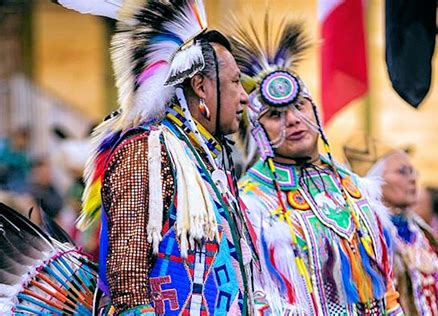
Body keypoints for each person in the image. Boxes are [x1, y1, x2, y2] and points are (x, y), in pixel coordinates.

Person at [58, 0, 253, 314]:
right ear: (200, 86)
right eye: (234, 82)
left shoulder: (206, 159)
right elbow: (128, 279)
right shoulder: (147, 150)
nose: (244, 96)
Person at [233, 16, 403, 315]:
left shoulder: (355, 186)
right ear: (258, 131)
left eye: (300, 105)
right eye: (275, 114)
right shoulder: (250, 203)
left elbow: (386, 285)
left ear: (314, 109)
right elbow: (253, 295)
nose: (294, 120)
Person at [344, 135, 438, 315]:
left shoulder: (423, 234)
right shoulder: (365, 236)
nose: (413, 179)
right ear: (373, 181)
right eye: (402, 172)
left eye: (413, 171)